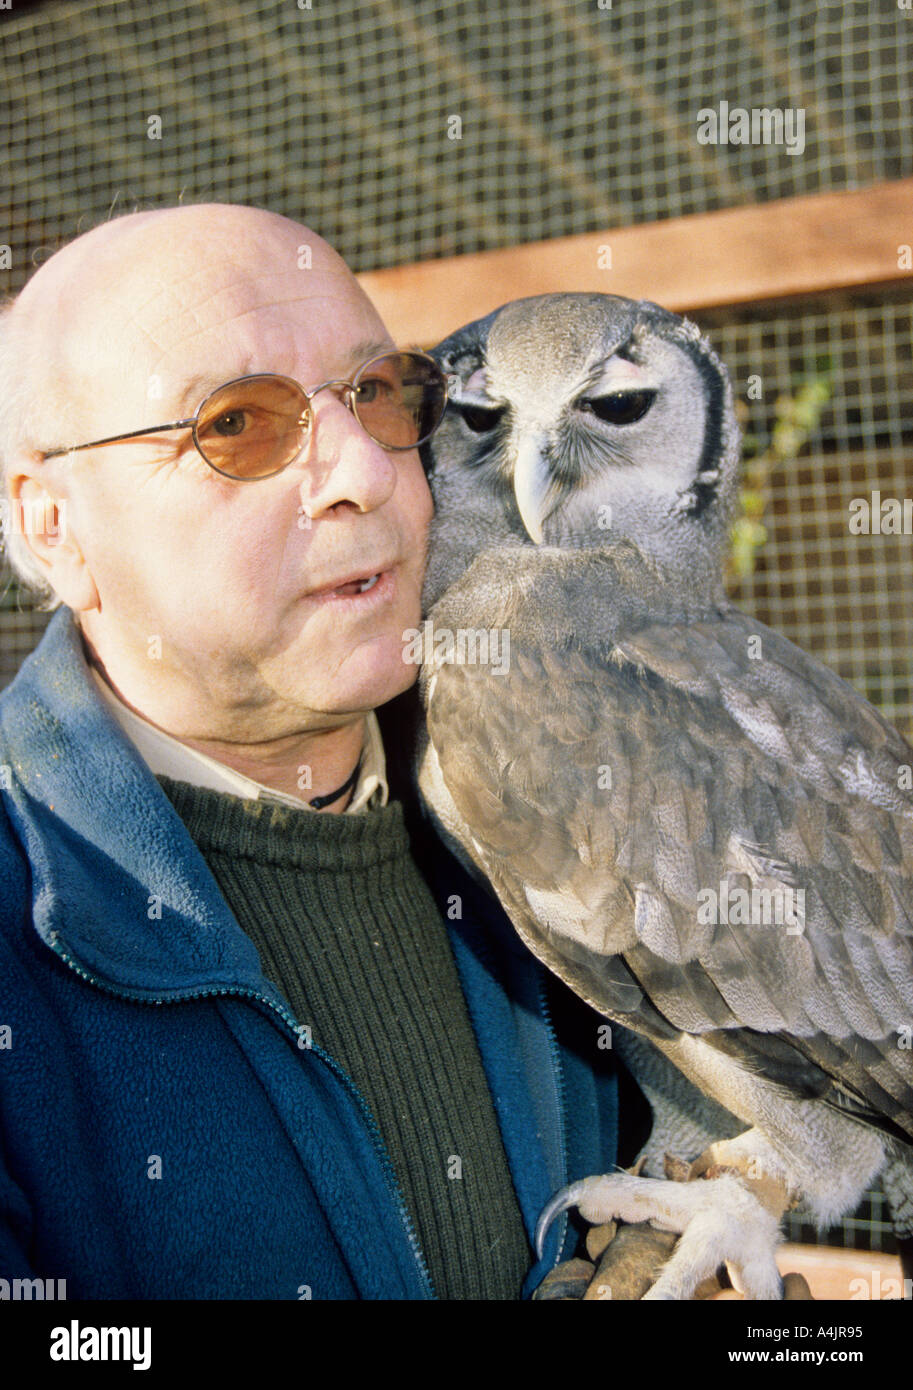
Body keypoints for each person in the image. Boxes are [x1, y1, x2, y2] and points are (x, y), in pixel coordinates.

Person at [0, 203, 619, 1300]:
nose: (364, 475)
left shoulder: (563, 789)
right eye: (238, 424)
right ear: (53, 525)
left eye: (375, 393)